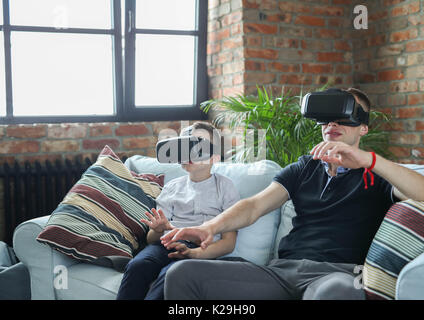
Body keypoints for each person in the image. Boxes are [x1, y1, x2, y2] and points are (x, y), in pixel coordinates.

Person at [161, 88, 424, 300]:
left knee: (338, 293)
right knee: (182, 274)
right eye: (328, 115)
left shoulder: (379, 173)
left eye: (344, 117)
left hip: (337, 276)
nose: (333, 122)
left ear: (363, 127)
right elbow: (253, 206)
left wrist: (369, 160)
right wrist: (209, 226)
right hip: (282, 273)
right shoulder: (303, 167)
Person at [116, 122, 240, 300]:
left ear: (214, 157)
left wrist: (196, 253)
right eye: (184, 146)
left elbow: (228, 243)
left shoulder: (225, 187)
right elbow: (151, 239)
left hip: (201, 249)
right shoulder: (172, 187)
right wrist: (159, 229)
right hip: (166, 244)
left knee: (171, 275)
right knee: (138, 265)